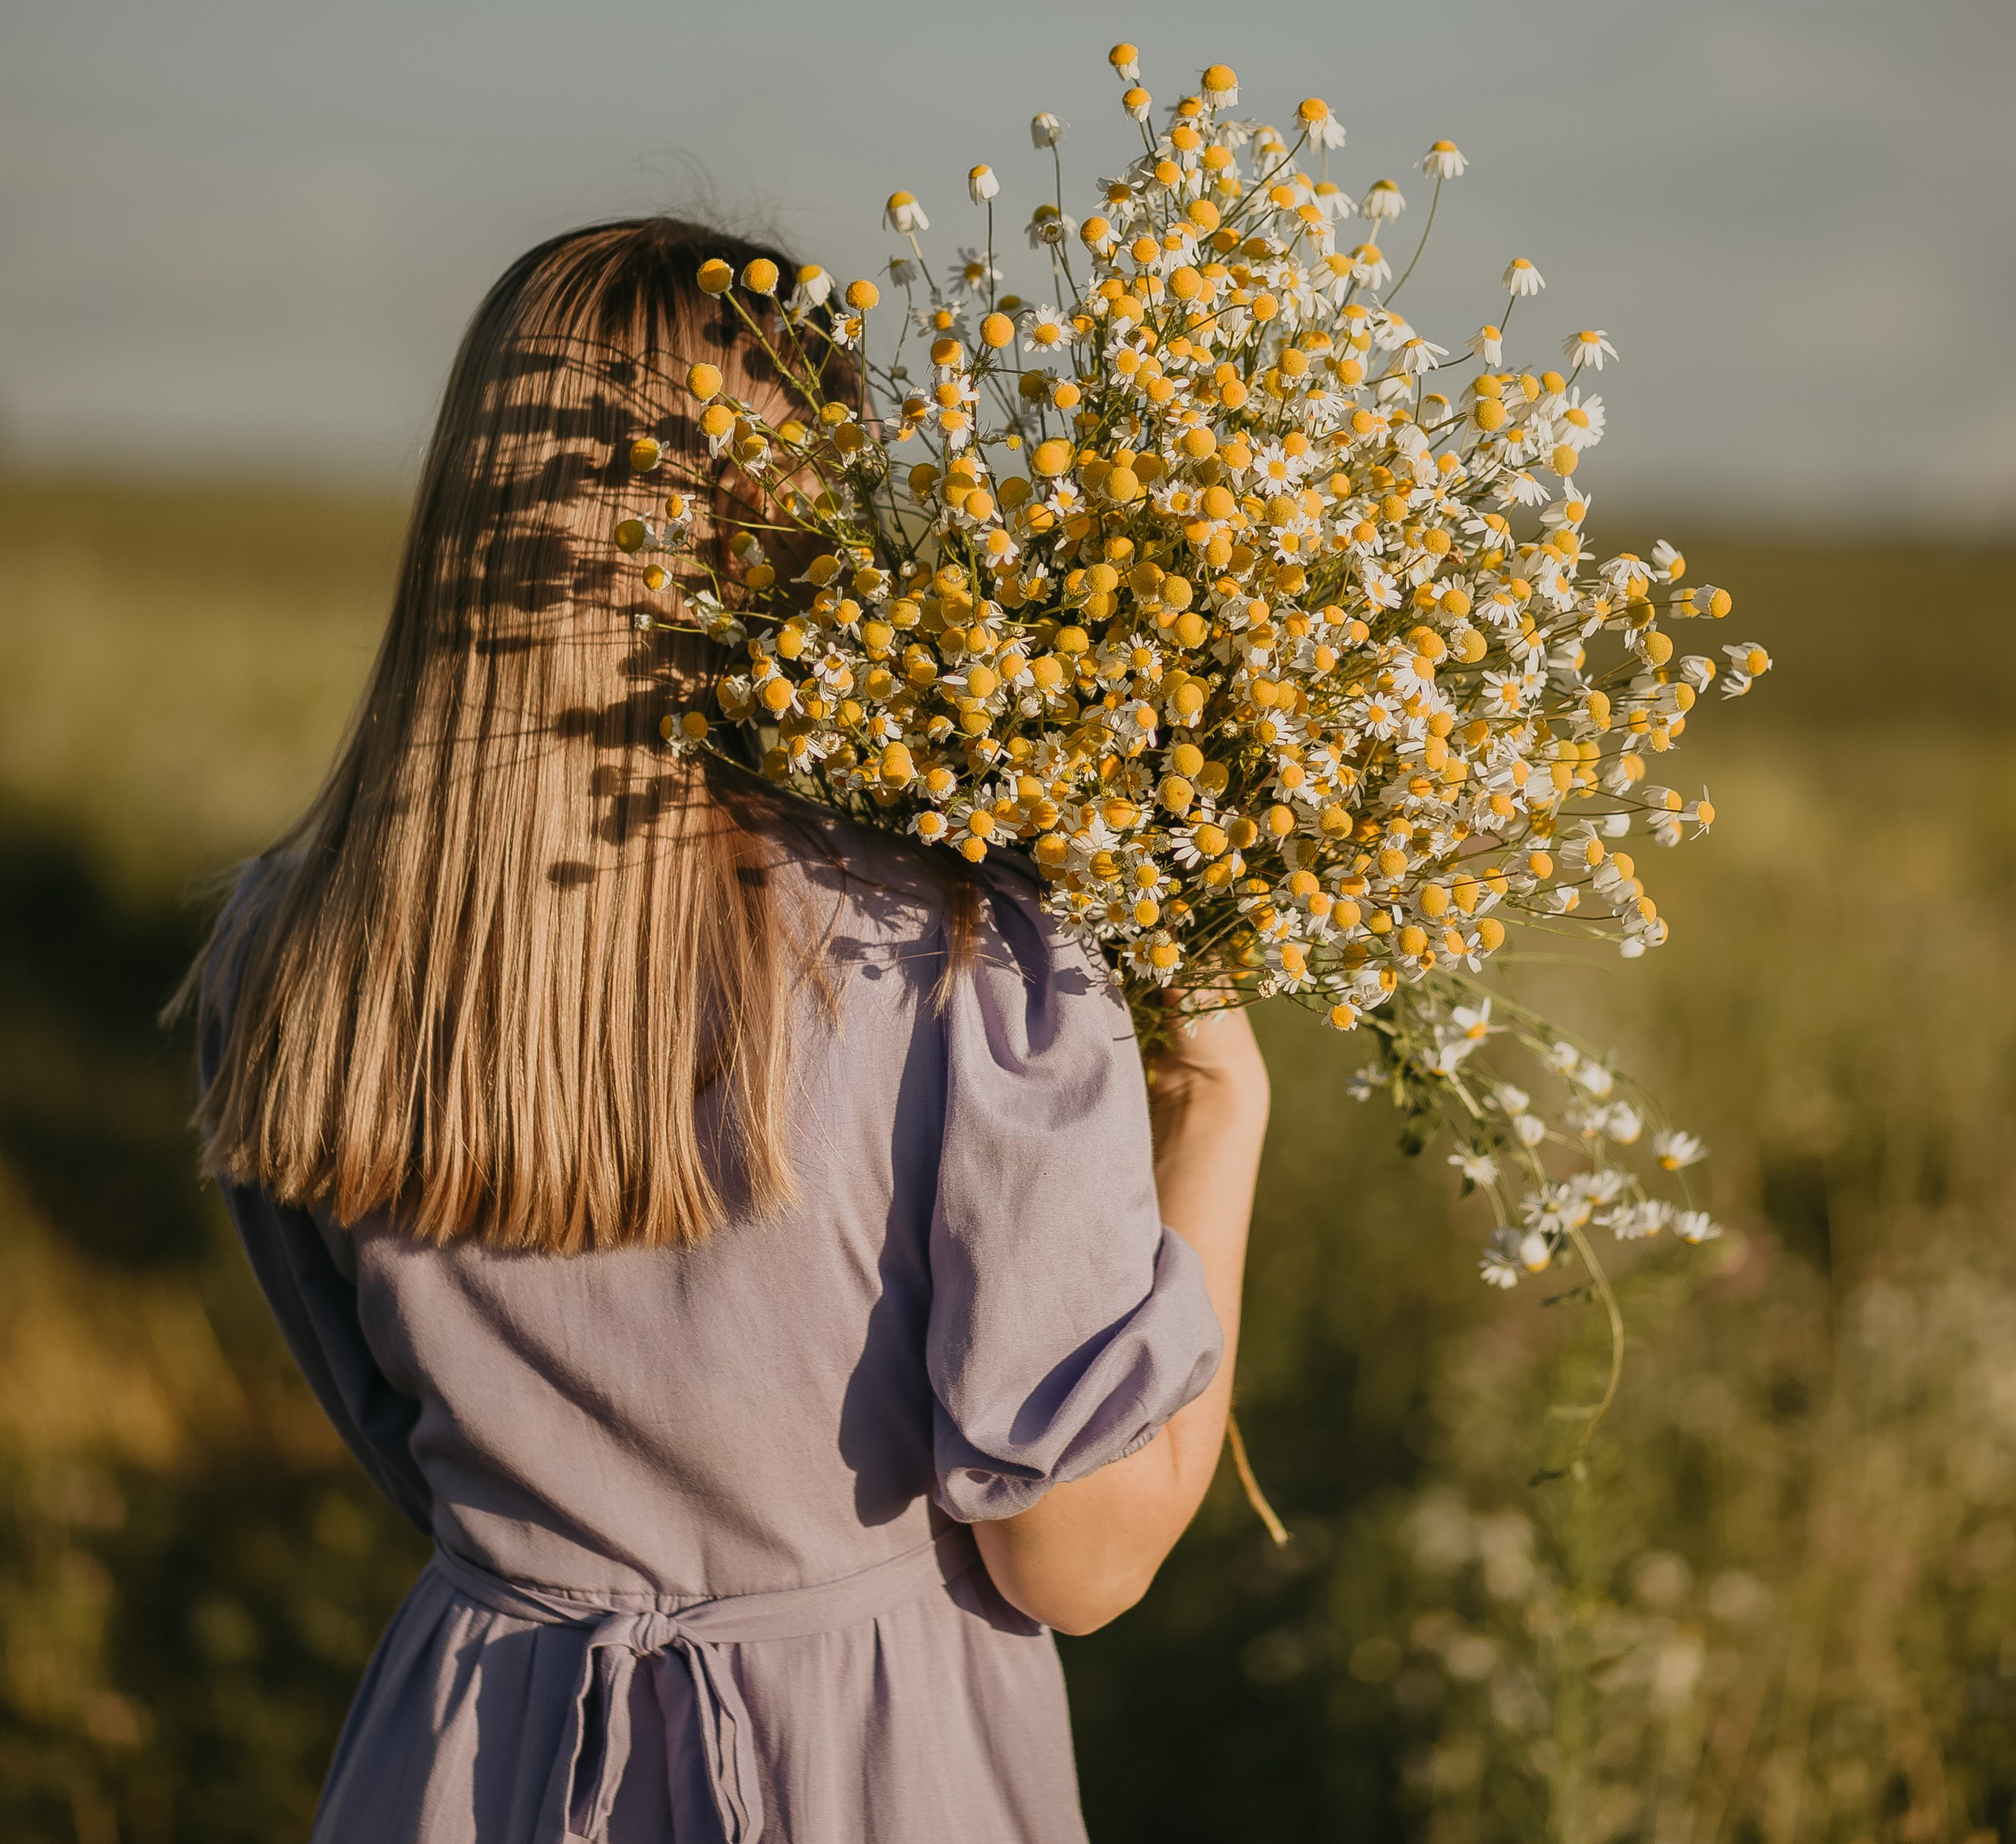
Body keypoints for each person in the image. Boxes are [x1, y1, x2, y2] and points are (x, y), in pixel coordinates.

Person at [181, 217, 1269, 1843]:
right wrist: (1224, 1104)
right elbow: (1078, 1555)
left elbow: (398, 1439)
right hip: (868, 1764)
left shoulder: (290, 948)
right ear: (787, 535)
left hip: (467, 1753)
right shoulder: (956, 959)